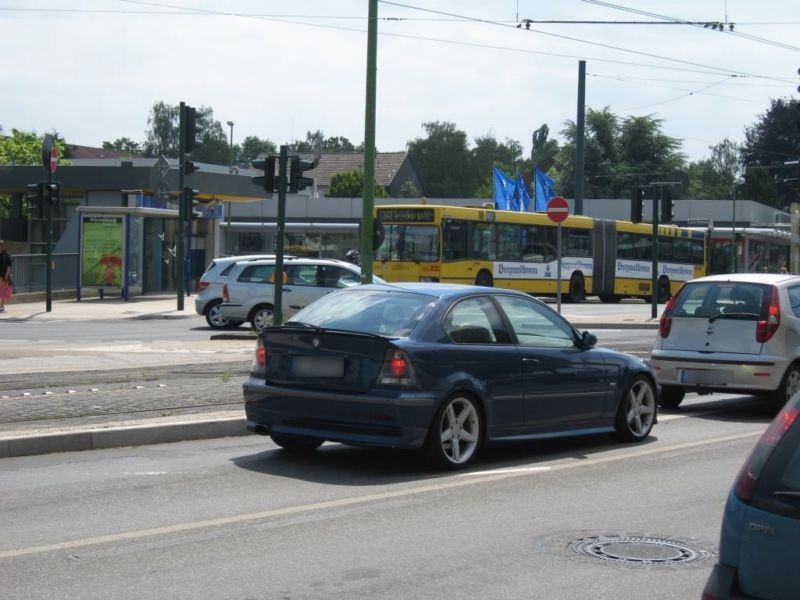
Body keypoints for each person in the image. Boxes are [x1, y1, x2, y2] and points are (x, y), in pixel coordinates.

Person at [0, 240, 12, 312]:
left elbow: (9, 265)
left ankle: (2, 306)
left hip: (3, 276)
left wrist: (7, 274)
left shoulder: (6, 255)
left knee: (3, 291)